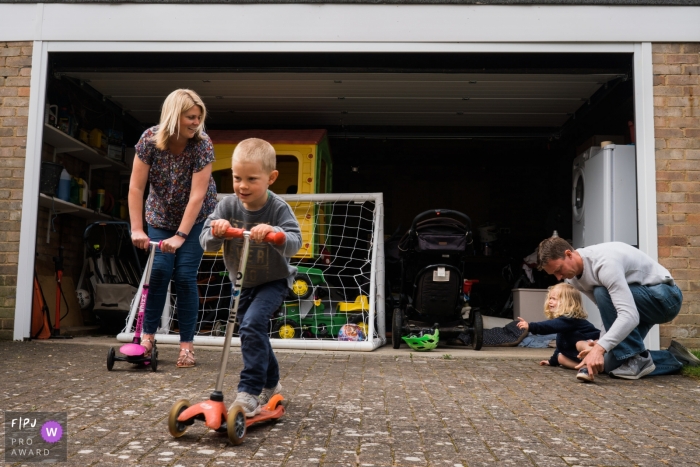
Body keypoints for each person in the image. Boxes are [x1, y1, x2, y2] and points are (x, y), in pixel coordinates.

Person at [200, 137, 302, 416]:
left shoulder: (278, 208)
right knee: (251, 331)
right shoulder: (227, 207)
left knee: (251, 325)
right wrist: (216, 231)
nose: (242, 186)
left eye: (252, 179)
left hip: (273, 281)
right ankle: (272, 382)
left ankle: (249, 391)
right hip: (241, 283)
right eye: (237, 178)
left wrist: (275, 233)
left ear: (271, 178)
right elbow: (205, 243)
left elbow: (295, 241)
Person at [129, 89, 218, 368]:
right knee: (159, 273)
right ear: (174, 115)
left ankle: (187, 346)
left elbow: (197, 196)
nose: (196, 123)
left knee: (184, 277)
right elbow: (136, 187)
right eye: (190, 117)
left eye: (199, 117)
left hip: (196, 218)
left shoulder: (202, 145)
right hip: (159, 216)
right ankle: (147, 339)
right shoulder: (149, 140)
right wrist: (137, 229)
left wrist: (181, 235)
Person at [536, 236, 699, 381]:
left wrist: (600, 348)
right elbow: (607, 311)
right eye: (554, 274)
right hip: (637, 305)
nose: (559, 278)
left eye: (559, 270)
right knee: (609, 364)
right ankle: (675, 358)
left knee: (601, 291)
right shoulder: (575, 280)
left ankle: (640, 358)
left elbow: (629, 315)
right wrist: (601, 342)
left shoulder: (604, 263)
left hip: (665, 298)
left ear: (569, 254)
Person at [516, 283, 600, 382]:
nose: (550, 301)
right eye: (550, 298)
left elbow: (549, 326)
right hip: (578, 356)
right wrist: (552, 361)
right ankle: (583, 367)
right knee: (560, 357)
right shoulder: (563, 325)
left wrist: (531, 326)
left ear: (568, 303)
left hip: (596, 348)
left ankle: (588, 367)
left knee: (579, 343)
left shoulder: (570, 320)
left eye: (554, 299)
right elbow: (560, 346)